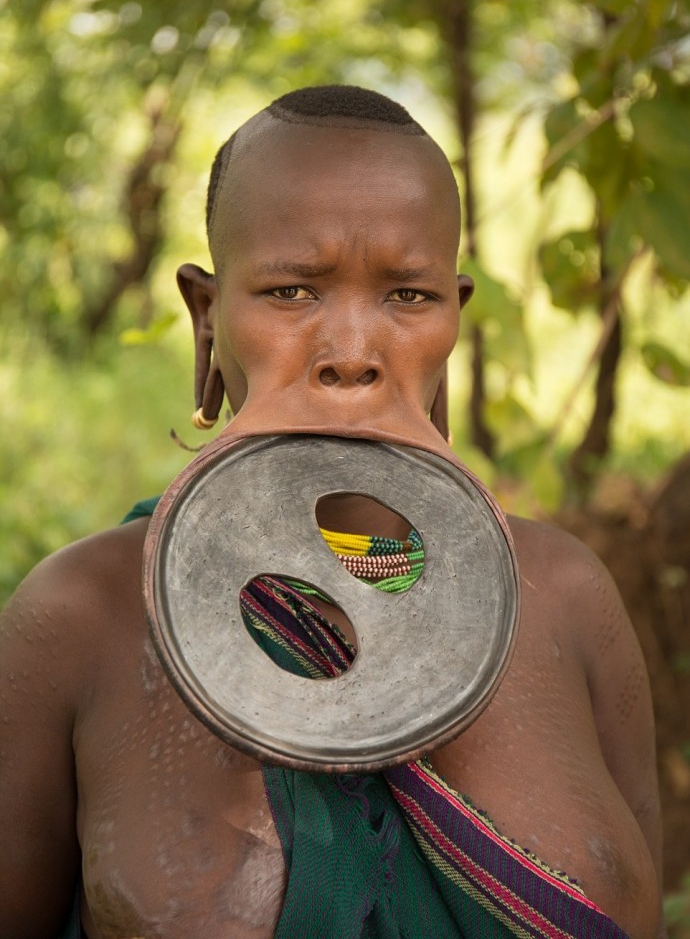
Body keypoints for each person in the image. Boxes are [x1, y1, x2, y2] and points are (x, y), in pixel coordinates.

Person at [0, 85, 662, 939]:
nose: (351, 355)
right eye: (291, 293)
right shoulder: (77, 615)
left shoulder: (569, 596)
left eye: (408, 296)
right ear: (208, 317)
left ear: (456, 316)